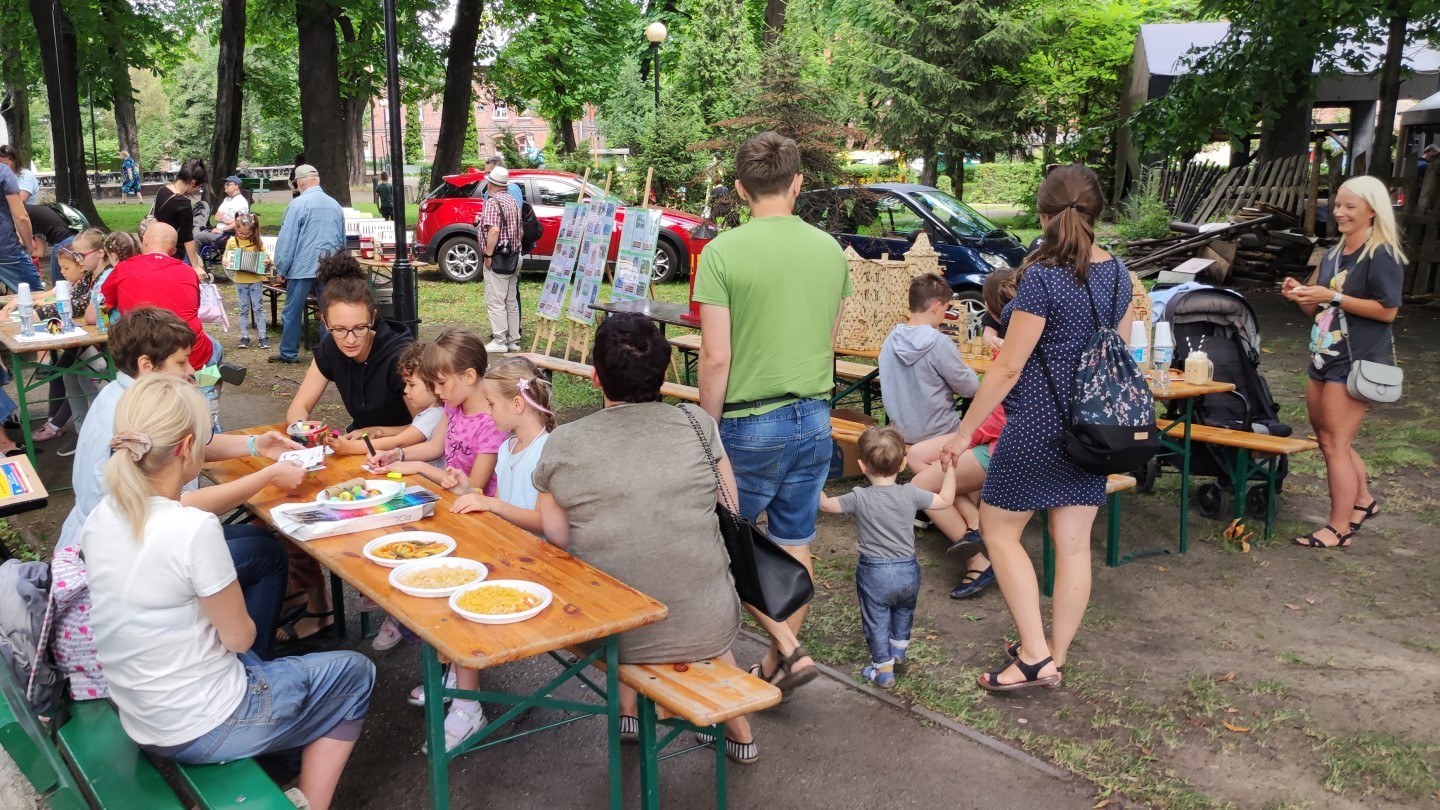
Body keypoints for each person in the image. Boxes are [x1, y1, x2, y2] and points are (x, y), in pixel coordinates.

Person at [81, 374, 372, 810]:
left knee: (272, 655)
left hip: (143, 715)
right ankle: (308, 802)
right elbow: (239, 639)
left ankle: (281, 757)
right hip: (201, 724)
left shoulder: (104, 514)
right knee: (354, 672)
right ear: (185, 449)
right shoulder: (191, 529)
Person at [940, 164, 1134, 693]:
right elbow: (1116, 353)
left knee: (1000, 533)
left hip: (1036, 428)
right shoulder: (1119, 274)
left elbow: (1007, 369)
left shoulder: (1041, 280)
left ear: (1044, 216)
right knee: (1073, 546)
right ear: (1096, 212)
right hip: (1092, 432)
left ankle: (1032, 654)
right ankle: (1056, 656)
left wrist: (963, 433)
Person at [534, 313, 760, 764]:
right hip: (710, 622)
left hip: (606, 631)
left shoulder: (565, 442)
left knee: (614, 583)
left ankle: (627, 711)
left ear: (596, 377)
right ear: (663, 374)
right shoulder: (698, 423)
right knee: (685, 603)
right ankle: (739, 729)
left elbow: (556, 536)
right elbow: (730, 506)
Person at [51, 307, 306, 697]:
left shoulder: (125, 395)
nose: (192, 371)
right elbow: (184, 506)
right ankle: (250, 673)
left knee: (259, 545)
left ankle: (245, 651)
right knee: (264, 554)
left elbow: (195, 444)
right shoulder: (124, 413)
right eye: (182, 362)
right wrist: (266, 476)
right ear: (146, 365)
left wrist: (256, 445)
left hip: (122, 540)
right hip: (126, 555)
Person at [693, 131, 850, 689]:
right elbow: (829, 337)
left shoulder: (721, 253)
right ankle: (780, 658)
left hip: (748, 420)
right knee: (794, 540)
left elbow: (715, 356)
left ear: (740, 189)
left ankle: (782, 652)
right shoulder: (830, 249)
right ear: (798, 183)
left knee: (718, 542)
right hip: (814, 415)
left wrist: (706, 430)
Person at [401, 356, 554, 750]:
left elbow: (547, 525)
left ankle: (467, 706)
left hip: (542, 563)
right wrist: (465, 486)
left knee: (460, 590)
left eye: (491, 404)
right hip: (513, 552)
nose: (485, 411)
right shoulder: (508, 447)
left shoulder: (546, 452)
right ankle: (456, 675)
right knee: (443, 572)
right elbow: (499, 508)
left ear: (517, 405)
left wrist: (490, 506)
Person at [1281, 175, 1404, 549]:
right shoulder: (1333, 253)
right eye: (1338, 205)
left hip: (1356, 360)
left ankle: (1338, 527)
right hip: (1323, 355)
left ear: (1372, 210)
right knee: (1329, 439)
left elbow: (1388, 311)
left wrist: (1332, 297)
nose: (1340, 213)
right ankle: (1363, 500)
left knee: (1336, 442)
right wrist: (1299, 294)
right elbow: (1316, 307)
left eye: (1350, 206)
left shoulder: (1381, 253)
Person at [878, 272, 995, 599]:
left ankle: (972, 525)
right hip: (942, 431)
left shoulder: (891, 338)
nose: (946, 316)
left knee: (933, 470)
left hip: (905, 433)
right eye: (946, 310)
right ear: (937, 307)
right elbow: (970, 387)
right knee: (944, 468)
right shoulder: (938, 342)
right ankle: (975, 538)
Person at [819, 426, 956, 689]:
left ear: (861, 465)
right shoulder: (911, 493)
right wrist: (950, 468)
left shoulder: (858, 497)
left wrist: (812, 477)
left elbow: (825, 505)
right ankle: (898, 651)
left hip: (875, 573)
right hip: (908, 570)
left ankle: (882, 669)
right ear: (904, 463)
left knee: (877, 618)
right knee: (904, 609)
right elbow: (947, 500)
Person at [367, 328, 503, 497]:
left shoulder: (493, 422)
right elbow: (435, 447)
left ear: (469, 376)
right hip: (449, 496)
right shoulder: (453, 405)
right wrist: (395, 455)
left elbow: (475, 485)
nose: (436, 391)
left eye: (441, 382)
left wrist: (420, 466)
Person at [286, 254, 414, 432]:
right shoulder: (330, 346)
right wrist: (303, 429)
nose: (350, 339)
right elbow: (299, 405)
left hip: (405, 450)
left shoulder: (400, 357)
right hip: (360, 444)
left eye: (360, 327)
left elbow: (427, 428)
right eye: (339, 329)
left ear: (373, 317)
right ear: (325, 322)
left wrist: (374, 432)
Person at [4, 229, 109, 442]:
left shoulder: (102, 277)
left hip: (104, 348)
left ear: (98, 253)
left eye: (80, 257)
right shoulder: (89, 276)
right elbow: (67, 300)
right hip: (89, 342)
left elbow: (80, 306)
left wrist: (37, 313)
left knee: (81, 375)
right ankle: (81, 433)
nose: (78, 262)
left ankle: (94, 432)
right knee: (69, 373)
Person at [101, 222, 215, 371]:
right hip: (188, 353)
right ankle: (206, 390)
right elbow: (194, 309)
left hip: (143, 354)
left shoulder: (122, 269)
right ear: (173, 250)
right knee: (214, 352)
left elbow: (99, 308)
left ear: (145, 241)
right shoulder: (188, 272)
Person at [269, 164, 345, 365]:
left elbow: (288, 239)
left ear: (300, 182)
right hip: (329, 266)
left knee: (292, 311)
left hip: (302, 266)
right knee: (328, 311)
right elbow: (342, 238)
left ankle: (288, 353)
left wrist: (281, 267)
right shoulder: (334, 204)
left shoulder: (297, 205)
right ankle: (328, 355)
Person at [327, 341, 442, 465]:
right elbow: (412, 431)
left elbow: (399, 442)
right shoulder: (431, 414)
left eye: (411, 384)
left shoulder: (435, 415)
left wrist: (350, 447)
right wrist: (379, 431)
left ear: (432, 383)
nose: (405, 390)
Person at [476, 166, 523, 354]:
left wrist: (488, 255)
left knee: (495, 300)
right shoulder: (512, 201)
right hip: (514, 256)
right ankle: (513, 340)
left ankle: (499, 340)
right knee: (510, 300)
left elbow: (494, 230)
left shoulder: (493, 203)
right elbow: (520, 230)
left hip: (498, 259)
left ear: (491, 184)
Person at [152, 158, 208, 272]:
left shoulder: (162, 190)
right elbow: (187, 237)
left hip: (156, 245)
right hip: (174, 251)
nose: (197, 189)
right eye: (199, 186)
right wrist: (196, 266)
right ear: (193, 182)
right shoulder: (183, 203)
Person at [225, 213, 271, 350]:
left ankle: (263, 336)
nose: (244, 236)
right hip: (240, 280)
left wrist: (267, 260)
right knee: (243, 309)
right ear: (236, 230)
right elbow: (226, 257)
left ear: (252, 231)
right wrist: (227, 261)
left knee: (258, 308)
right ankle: (244, 336)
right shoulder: (232, 242)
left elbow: (267, 256)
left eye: (247, 233)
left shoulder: (257, 242)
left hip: (255, 280)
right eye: (240, 233)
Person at [0, 157, 39, 293]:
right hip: (6, 248)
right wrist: (28, 246)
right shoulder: (3, 171)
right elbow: (21, 217)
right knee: (34, 296)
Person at [26, 202, 76, 283]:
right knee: (63, 282)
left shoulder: (20, 214)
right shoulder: (36, 217)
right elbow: (40, 252)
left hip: (64, 242)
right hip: (72, 238)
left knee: (58, 282)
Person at [197, 176, 250, 249]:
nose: (225, 186)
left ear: (236, 186)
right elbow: (216, 217)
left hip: (226, 234)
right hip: (217, 231)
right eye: (225, 184)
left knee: (197, 237)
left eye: (228, 184)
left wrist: (222, 229)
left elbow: (238, 223)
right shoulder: (227, 200)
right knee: (193, 233)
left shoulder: (242, 202)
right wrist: (227, 220)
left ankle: (192, 260)